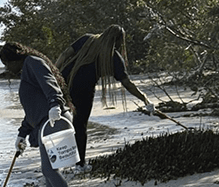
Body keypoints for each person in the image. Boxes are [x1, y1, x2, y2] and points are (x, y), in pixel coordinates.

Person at [0, 42, 86, 187]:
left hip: (54, 121)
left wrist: (55, 103)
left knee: (49, 170)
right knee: (50, 171)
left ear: (15, 58)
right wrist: (22, 134)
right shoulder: (27, 69)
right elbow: (33, 109)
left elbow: (50, 84)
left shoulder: (32, 62)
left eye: (7, 63)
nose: (7, 68)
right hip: (45, 123)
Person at [56, 24, 155, 171]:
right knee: (80, 125)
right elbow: (127, 83)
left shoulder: (87, 39)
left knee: (59, 122)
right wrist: (145, 99)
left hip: (63, 83)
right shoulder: (113, 57)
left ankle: (57, 161)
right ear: (119, 41)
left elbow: (65, 54)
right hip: (83, 90)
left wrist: (54, 73)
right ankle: (80, 164)